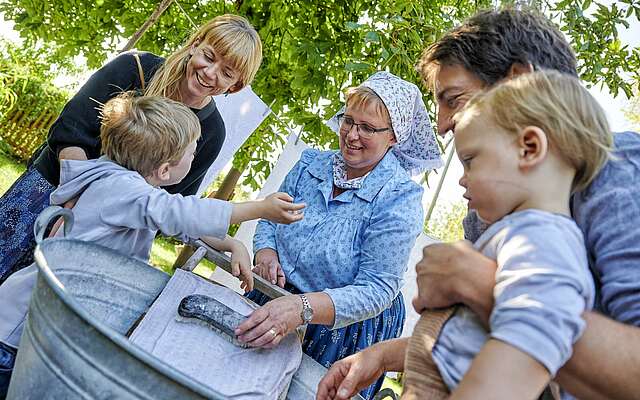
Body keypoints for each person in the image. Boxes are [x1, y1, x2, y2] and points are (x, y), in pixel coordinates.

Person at [317, 9, 640, 400]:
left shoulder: (618, 170)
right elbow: (488, 332)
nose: (441, 125)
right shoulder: (499, 201)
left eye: (454, 99)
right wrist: (385, 356)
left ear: (519, 83)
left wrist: (477, 284)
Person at [0, 93, 305, 397]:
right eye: (192, 152)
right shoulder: (127, 191)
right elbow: (182, 213)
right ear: (164, 170)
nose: (195, 157)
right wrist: (259, 209)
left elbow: (183, 223)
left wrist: (231, 245)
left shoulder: (119, 180)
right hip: (20, 329)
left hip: (33, 316)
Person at [0, 14, 263, 282]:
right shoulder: (133, 68)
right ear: (196, 44)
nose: (210, 72)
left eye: (226, 73)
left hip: (105, 235)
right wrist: (76, 202)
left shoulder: (211, 133)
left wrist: (232, 242)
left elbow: (177, 206)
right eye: (209, 57)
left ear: (237, 85)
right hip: (47, 193)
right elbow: (70, 131)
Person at [233, 71, 442, 399]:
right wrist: (266, 252)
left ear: (394, 137)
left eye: (368, 128)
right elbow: (271, 219)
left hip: (340, 329)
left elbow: (377, 289)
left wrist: (301, 307)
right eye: (349, 121)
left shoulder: (398, 198)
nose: (352, 135)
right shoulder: (310, 166)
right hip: (275, 299)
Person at [404, 70, 611, 399]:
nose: (462, 179)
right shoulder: (518, 233)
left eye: (470, 161)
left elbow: (526, 345)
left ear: (529, 148)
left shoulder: (542, 240)